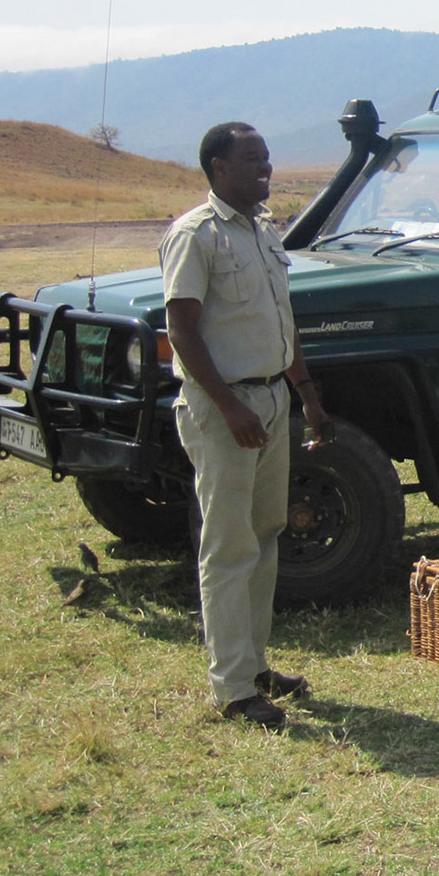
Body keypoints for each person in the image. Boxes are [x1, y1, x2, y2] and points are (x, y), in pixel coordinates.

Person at [161, 122, 326, 728]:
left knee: (266, 533)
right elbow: (181, 329)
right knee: (229, 545)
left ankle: (254, 664)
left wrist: (305, 393)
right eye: (251, 159)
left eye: (267, 158)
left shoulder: (263, 231)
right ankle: (232, 688)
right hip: (224, 408)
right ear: (217, 167)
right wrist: (231, 408)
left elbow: (283, 321)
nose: (266, 168)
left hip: (273, 400)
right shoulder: (195, 236)